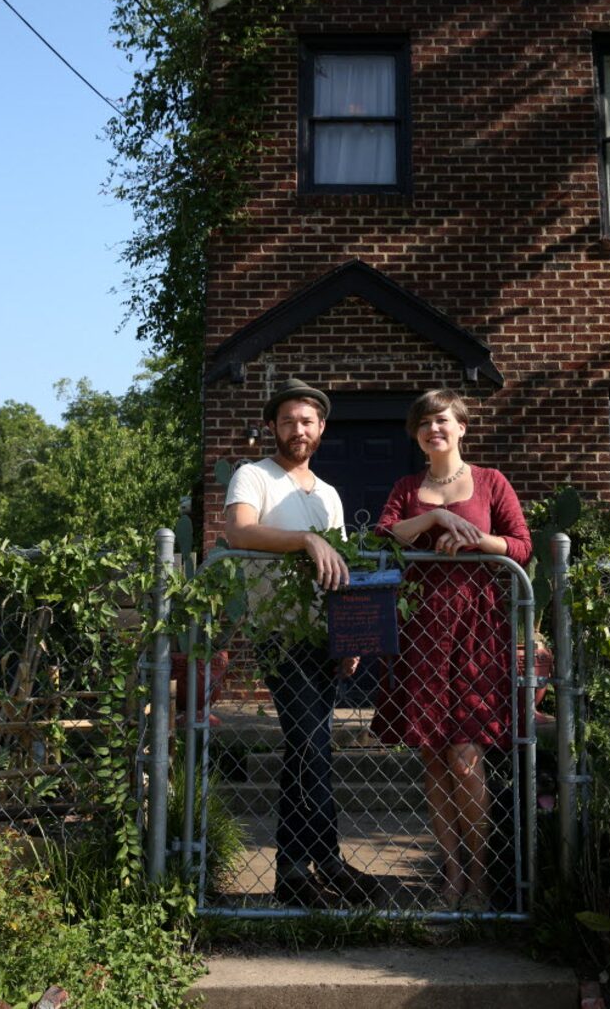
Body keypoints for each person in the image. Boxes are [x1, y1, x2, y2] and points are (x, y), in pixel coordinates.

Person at [371, 388, 532, 911]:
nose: (432, 429)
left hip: (476, 629)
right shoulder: (406, 486)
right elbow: (385, 534)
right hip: (420, 629)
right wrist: (437, 519)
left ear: (461, 427)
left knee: (466, 755)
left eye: (441, 420)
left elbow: (522, 545)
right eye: (423, 423)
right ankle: (452, 875)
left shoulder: (490, 482)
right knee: (434, 760)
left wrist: (474, 539)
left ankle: (481, 878)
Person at [224, 377, 380, 908]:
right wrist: (305, 539)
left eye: (307, 421)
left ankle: (292, 871)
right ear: (273, 426)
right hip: (279, 636)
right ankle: (328, 860)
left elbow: (337, 575)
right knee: (311, 745)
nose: (298, 429)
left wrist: (349, 637)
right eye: (288, 420)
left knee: (306, 749)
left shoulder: (330, 495)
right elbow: (239, 532)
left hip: (323, 637)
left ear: (321, 429)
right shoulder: (254, 476)